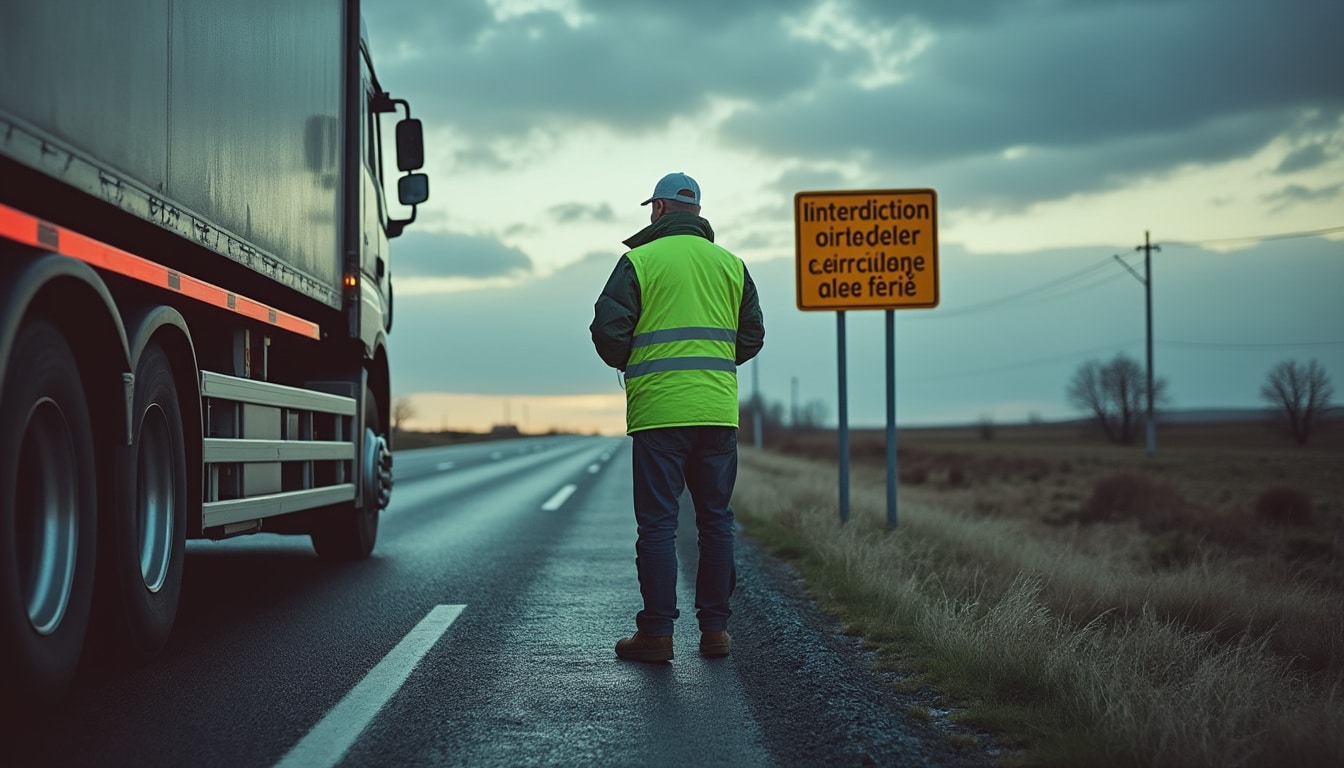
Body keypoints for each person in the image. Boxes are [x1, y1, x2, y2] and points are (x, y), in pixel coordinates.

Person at [590, 171, 765, 662]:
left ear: (660, 210)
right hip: (715, 413)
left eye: (652, 208)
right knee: (716, 523)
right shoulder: (731, 265)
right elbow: (752, 335)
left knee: (659, 526)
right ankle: (715, 632)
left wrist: (631, 359)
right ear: (698, 212)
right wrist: (712, 365)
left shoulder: (639, 261)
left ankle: (657, 635)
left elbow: (608, 328)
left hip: (659, 414)